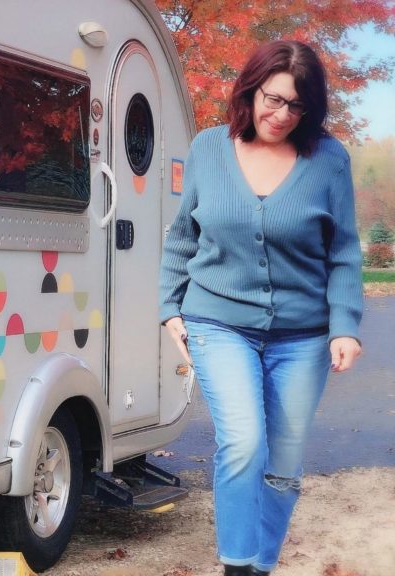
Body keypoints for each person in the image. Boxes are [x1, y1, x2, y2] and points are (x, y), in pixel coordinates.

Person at [159, 40, 363, 576]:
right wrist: (168, 308)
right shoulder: (208, 148)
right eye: (272, 99)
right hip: (217, 321)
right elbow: (182, 237)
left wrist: (345, 326)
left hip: (303, 335)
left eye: (296, 106)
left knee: (284, 464)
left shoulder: (328, 159)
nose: (281, 115)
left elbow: (343, 249)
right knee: (243, 443)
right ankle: (237, 566)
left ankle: (260, 565)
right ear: (250, 91)